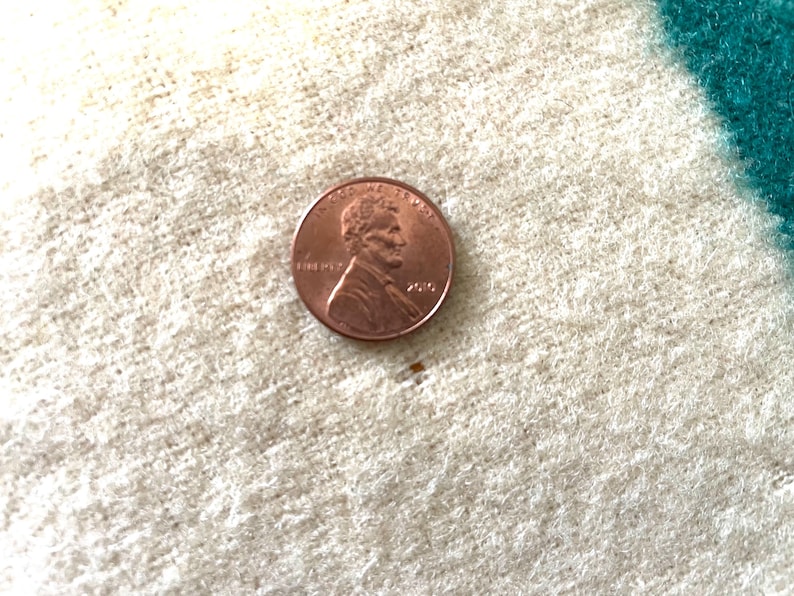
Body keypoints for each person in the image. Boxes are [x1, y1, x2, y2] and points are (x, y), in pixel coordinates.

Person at [327, 194, 421, 333]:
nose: (402, 241)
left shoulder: (384, 286)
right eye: (392, 232)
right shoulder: (348, 299)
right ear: (364, 238)